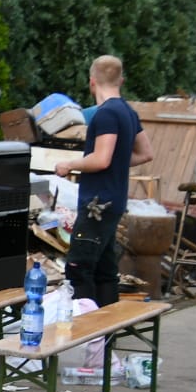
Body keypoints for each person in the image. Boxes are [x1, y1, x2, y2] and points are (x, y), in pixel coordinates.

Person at [55, 55, 153, 306]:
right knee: (105, 272)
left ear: (92, 81)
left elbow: (101, 159)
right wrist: (117, 160)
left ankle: (88, 338)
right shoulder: (128, 112)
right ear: (121, 80)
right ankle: (106, 340)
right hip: (114, 203)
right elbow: (145, 154)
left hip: (97, 206)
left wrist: (69, 165)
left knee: (78, 269)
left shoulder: (106, 114)